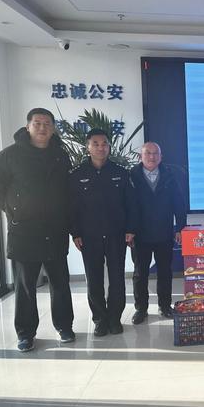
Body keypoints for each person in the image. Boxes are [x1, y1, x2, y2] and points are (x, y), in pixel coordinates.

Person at [0, 108, 75, 352]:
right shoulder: (10, 155)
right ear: (28, 127)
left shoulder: (60, 155)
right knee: (25, 287)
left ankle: (64, 326)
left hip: (55, 229)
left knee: (60, 282)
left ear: (53, 128)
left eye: (47, 123)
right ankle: (25, 333)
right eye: (37, 123)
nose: (42, 127)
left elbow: (68, 190)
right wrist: (12, 210)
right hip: (24, 231)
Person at [69, 129, 137, 336]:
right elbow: (72, 207)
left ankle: (114, 319)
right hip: (89, 236)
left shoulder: (121, 172)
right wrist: (75, 233)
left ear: (109, 146)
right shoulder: (77, 175)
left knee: (117, 279)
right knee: (94, 280)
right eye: (96, 144)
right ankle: (99, 320)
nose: (101, 147)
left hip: (117, 234)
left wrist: (130, 229)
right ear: (88, 147)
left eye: (104, 143)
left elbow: (131, 204)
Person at [130, 142, 187, 324]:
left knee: (165, 272)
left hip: (164, 231)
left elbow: (179, 202)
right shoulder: (131, 176)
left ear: (161, 157)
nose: (152, 157)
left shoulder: (170, 174)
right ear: (141, 156)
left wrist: (180, 227)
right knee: (140, 273)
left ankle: (165, 306)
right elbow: (126, 205)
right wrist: (128, 230)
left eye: (156, 153)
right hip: (140, 234)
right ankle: (141, 309)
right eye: (148, 153)